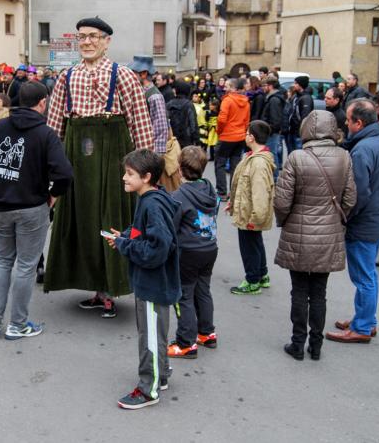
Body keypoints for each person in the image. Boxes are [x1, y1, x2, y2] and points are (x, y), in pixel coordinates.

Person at [43, 16, 154, 319]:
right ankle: (92, 285)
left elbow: (140, 125)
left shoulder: (125, 76)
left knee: (110, 220)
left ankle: (109, 286)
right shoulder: (66, 77)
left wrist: (146, 174)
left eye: (93, 36)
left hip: (113, 158)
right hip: (76, 159)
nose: (87, 42)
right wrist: (50, 168)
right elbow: (54, 129)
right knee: (80, 222)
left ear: (107, 41)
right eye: (82, 37)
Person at [0, 81, 73, 339]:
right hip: (32, 206)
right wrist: (53, 196)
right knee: (26, 266)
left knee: (2, 260)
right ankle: (17, 323)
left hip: (2, 206)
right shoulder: (46, 134)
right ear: (42, 102)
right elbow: (64, 173)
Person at [274, 111, 356, 360]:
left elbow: (282, 199)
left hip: (298, 232)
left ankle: (297, 343)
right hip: (328, 234)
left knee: (299, 290)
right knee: (319, 292)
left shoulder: (297, 157)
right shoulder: (344, 157)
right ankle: (316, 345)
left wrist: (284, 221)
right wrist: (338, 219)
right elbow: (351, 197)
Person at [106, 149, 180, 410]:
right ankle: (161, 374)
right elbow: (143, 232)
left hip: (152, 283)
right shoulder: (154, 198)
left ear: (147, 177)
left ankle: (148, 389)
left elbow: (158, 247)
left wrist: (126, 246)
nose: (124, 178)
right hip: (156, 282)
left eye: (130, 174)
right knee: (154, 332)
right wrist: (125, 237)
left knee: (148, 336)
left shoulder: (151, 203)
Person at [327, 99, 379, 344]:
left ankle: (363, 326)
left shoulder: (363, 149)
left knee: (364, 276)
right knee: (368, 274)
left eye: (348, 120)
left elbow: (358, 193)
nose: (345, 124)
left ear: (358, 122)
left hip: (366, 222)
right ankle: (365, 318)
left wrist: (346, 217)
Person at [166, 146, 219, 359]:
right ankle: (206, 332)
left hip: (187, 251)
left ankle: (186, 342)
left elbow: (172, 225)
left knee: (184, 295)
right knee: (203, 290)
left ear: (179, 169)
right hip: (209, 246)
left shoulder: (179, 196)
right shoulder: (209, 189)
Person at [227, 120, 275, 296]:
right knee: (255, 243)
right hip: (248, 210)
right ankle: (262, 274)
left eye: (247, 132)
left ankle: (252, 280)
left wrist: (255, 218)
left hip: (250, 214)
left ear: (252, 137)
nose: (245, 135)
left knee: (249, 246)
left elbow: (260, 194)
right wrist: (233, 203)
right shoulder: (252, 158)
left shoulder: (258, 163)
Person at [214, 77, 251, 200]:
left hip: (226, 136)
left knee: (220, 164)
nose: (225, 88)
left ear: (234, 88)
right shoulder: (246, 101)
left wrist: (219, 131)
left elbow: (221, 119)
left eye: (228, 86)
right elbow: (246, 121)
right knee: (235, 165)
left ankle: (222, 192)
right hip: (239, 136)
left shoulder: (227, 100)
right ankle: (234, 193)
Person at [131, 56, 168, 155]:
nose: (131, 75)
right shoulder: (140, 92)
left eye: (133, 72)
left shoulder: (155, 96)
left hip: (149, 153)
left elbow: (161, 128)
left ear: (143, 74)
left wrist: (156, 155)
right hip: (139, 150)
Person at [261, 76, 287, 175]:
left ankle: (274, 177)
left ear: (270, 86)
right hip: (271, 131)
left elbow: (275, 119)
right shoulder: (272, 98)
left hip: (272, 132)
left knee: (271, 154)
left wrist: (269, 130)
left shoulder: (274, 100)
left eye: (264, 85)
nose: (263, 88)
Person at [285, 76, 315, 154]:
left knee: (299, 154)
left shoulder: (306, 98)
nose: (293, 85)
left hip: (298, 133)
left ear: (300, 85)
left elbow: (305, 117)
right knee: (291, 154)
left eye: (295, 83)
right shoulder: (296, 96)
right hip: (291, 130)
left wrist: (300, 131)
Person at [167, 81, 199, 149]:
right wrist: (196, 139)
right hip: (186, 140)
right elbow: (193, 124)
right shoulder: (189, 105)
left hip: (172, 139)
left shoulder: (169, 104)